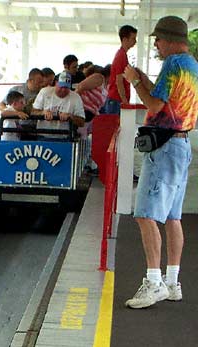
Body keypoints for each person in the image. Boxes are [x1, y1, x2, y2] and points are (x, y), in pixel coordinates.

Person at [123, 16, 198, 309]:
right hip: (182, 144)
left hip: (164, 147)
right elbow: (163, 98)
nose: (155, 44)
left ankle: (153, 283)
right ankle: (172, 281)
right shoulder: (192, 66)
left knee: (145, 214)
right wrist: (142, 78)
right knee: (173, 217)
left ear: (169, 40)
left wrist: (133, 83)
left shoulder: (173, 63)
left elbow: (154, 104)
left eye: (157, 39)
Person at [103, 25, 137, 114]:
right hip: (116, 100)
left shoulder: (122, 55)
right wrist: (124, 101)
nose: (135, 41)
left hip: (116, 100)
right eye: (133, 38)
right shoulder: (121, 56)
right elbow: (119, 81)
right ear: (125, 39)